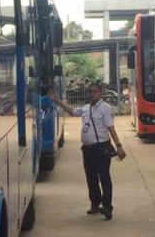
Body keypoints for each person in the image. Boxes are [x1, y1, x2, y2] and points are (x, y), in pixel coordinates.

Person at [49, 82, 126, 219]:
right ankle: (95, 204)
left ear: (100, 93)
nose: (92, 94)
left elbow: (111, 128)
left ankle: (107, 207)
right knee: (91, 179)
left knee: (104, 178)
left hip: (101, 148)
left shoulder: (105, 108)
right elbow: (72, 111)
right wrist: (57, 101)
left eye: (95, 91)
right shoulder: (86, 108)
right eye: (90, 91)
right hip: (88, 149)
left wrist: (119, 146)